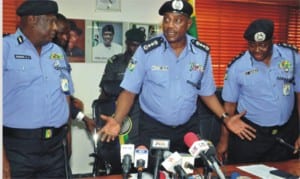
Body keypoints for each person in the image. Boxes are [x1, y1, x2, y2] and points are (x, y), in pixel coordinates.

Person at [97, 0, 255, 172]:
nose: (170, 26)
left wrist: (225, 118)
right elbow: (129, 91)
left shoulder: (201, 53)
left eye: (177, 20)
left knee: (186, 173)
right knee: (153, 173)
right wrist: (117, 119)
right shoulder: (147, 50)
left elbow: (207, 93)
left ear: (188, 24)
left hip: (188, 131)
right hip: (153, 128)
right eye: (166, 19)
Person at [3, 1, 74, 179]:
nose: (55, 27)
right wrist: (2, 159)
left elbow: (65, 95)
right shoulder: (5, 49)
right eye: (50, 21)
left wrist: (68, 134)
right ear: (32, 19)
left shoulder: (57, 52)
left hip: (56, 149)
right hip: (18, 149)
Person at [217, 18, 300, 164]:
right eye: (252, 45)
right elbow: (229, 107)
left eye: (262, 45)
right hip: (251, 134)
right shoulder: (237, 67)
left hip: (286, 133)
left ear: (272, 40)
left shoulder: (292, 56)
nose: (257, 50)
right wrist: (224, 141)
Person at [92, 27, 146, 174]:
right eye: (132, 44)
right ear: (126, 43)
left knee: (138, 154)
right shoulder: (115, 61)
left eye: (138, 45)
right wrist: (100, 115)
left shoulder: (148, 64)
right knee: (116, 156)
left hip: (140, 114)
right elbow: (106, 88)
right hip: (117, 111)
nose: (134, 48)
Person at [53, 13, 96, 158]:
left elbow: (63, 99)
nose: (66, 38)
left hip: (61, 133)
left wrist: (84, 118)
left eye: (67, 34)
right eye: (62, 34)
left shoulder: (60, 56)